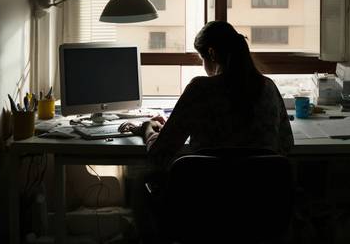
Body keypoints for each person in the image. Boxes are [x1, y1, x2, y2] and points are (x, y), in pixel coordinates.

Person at [120, 20, 294, 165]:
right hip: (261, 198)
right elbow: (286, 145)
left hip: (207, 198)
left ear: (211, 54)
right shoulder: (268, 86)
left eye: (202, 59)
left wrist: (148, 130)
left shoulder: (200, 89)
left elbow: (160, 154)